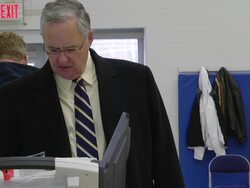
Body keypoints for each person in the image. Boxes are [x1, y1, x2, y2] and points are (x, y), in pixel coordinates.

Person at [0, 0, 185, 187]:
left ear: (89, 38)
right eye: (53, 50)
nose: (62, 59)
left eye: (71, 49)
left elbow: (165, 159)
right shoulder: (16, 98)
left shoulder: (137, 81)